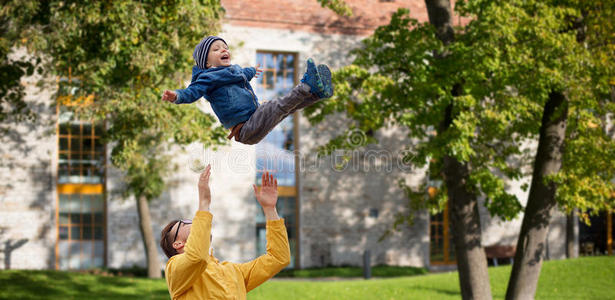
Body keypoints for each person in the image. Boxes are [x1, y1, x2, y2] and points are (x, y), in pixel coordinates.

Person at [161, 35, 333, 145]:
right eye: (216, 49)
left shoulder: (233, 71)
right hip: (245, 129)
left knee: (286, 109)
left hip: (254, 119)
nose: (223, 49)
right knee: (276, 106)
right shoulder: (207, 78)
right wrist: (177, 96)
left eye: (225, 47)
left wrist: (252, 71)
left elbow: (244, 73)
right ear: (207, 64)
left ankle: (316, 93)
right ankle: (306, 86)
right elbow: (192, 92)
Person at [159, 165, 290, 299]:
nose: (193, 221)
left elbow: (279, 258)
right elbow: (197, 257)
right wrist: (203, 204)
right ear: (178, 243)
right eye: (185, 223)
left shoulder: (233, 271)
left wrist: (270, 210)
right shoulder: (174, 269)